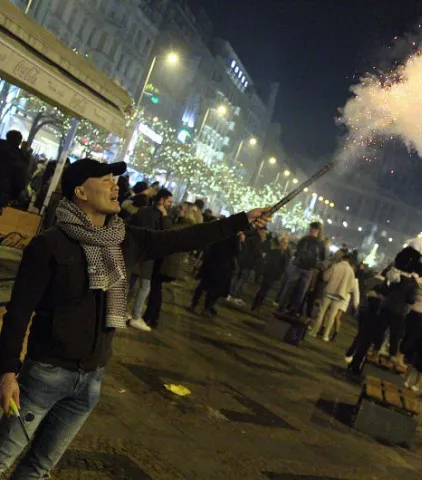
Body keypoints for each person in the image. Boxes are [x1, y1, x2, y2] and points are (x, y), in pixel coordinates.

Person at [0, 159, 270, 477]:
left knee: (41, 466)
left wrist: (241, 221)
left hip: (91, 379)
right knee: (4, 455)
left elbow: (187, 238)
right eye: (105, 180)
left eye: (115, 180)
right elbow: (18, 313)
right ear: (80, 192)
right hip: (45, 374)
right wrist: (6, 373)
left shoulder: (126, 240)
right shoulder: (49, 244)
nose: (116, 185)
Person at [126, 188, 174, 331]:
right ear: (161, 200)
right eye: (169, 201)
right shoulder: (160, 217)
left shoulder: (143, 211)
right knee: (144, 286)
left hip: (135, 252)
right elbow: (167, 234)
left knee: (130, 283)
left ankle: (120, 311)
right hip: (148, 256)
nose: (170, 204)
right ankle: (136, 316)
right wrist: (165, 217)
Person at [277, 222, 325, 318]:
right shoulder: (309, 241)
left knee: (299, 291)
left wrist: (315, 265)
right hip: (302, 267)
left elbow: (322, 258)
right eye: (311, 229)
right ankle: (284, 307)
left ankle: (292, 309)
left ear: (318, 231)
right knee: (293, 288)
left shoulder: (317, 243)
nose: (311, 231)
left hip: (307, 269)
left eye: (314, 229)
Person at [308, 253, 358, 341]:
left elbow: (325, 277)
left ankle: (314, 331)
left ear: (342, 258)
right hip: (340, 295)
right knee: (332, 316)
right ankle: (326, 336)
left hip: (329, 291)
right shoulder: (351, 271)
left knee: (322, 312)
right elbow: (351, 286)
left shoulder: (335, 266)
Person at [191, 231, 241, 316]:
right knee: (214, 289)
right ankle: (207, 308)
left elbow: (210, 246)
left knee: (203, 285)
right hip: (222, 266)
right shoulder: (234, 237)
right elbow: (236, 252)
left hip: (211, 262)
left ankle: (194, 304)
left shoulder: (220, 231)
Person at [251, 236, 290, 312]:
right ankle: (256, 305)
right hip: (269, 273)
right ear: (280, 243)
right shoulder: (275, 252)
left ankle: (257, 305)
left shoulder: (285, 254)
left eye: (286, 243)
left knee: (265, 290)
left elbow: (285, 265)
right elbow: (270, 262)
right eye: (283, 243)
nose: (285, 245)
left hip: (274, 275)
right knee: (263, 290)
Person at [0, 130, 29, 209]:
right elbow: (20, 181)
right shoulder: (20, 158)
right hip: (3, 194)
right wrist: (14, 197)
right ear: (19, 142)